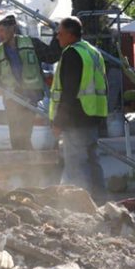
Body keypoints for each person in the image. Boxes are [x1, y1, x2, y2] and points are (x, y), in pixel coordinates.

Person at [49, 17, 106, 193]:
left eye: (59, 33)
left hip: (76, 118)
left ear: (70, 34)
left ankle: (84, 205)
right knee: (92, 161)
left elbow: (69, 91)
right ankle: (100, 199)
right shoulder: (92, 51)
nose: (57, 37)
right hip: (93, 116)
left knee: (76, 165)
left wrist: (58, 121)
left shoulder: (71, 53)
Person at [0, 14, 61, 150]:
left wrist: (56, 36)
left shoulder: (31, 43)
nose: (0, 35)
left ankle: (27, 166)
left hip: (30, 98)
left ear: (12, 29)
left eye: (3, 31)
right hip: (11, 100)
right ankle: (27, 166)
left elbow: (51, 56)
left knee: (22, 136)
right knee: (16, 139)